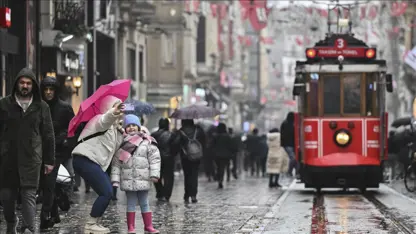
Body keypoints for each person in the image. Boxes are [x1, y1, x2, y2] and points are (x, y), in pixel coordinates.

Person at [0, 68, 55, 233]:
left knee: (29, 197)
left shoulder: (41, 107)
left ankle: (30, 228)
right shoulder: (4, 104)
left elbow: (48, 134)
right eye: (22, 82)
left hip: (32, 158)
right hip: (8, 158)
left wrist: (49, 160)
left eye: (28, 83)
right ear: (17, 83)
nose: (25, 86)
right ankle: (12, 221)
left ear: (33, 85)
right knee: (7, 198)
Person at [72, 95, 125, 233]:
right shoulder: (99, 119)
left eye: (120, 106)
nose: (120, 109)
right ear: (109, 107)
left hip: (90, 160)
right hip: (84, 158)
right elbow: (104, 121)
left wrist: (120, 132)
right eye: (115, 106)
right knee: (106, 192)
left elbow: (114, 149)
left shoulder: (113, 128)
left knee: (106, 191)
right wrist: (113, 113)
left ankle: (95, 222)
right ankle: (91, 224)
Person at [111, 114, 161, 234]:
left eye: (134, 125)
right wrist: (115, 179)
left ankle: (148, 226)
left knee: (145, 203)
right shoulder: (121, 143)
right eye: (128, 126)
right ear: (125, 128)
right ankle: (131, 227)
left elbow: (154, 158)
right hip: (128, 179)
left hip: (143, 178)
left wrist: (154, 174)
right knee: (131, 204)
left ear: (139, 127)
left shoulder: (147, 141)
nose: (131, 128)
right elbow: (116, 163)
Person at [39, 76, 75, 229]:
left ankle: (45, 215)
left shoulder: (65, 108)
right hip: (40, 150)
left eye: (51, 89)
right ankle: (53, 212)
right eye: (45, 89)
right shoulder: (38, 107)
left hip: (59, 152)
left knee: (49, 183)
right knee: (46, 184)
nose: (48, 92)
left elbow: (73, 129)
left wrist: (63, 139)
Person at [174, 119, 205, 203]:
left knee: (187, 176)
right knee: (194, 175)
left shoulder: (181, 131)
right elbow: (204, 142)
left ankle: (187, 195)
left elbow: (176, 143)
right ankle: (194, 195)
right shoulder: (198, 130)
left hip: (185, 156)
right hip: (197, 156)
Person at [151, 118, 177, 202]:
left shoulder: (154, 135)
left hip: (156, 158)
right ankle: (167, 195)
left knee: (156, 176)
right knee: (169, 177)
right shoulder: (172, 135)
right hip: (169, 158)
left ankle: (160, 192)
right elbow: (175, 148)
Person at [212, 123, 234, 189]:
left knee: (218, 167)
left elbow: (212, 145)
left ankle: (219, 178)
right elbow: (231, 146)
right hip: (225, 155)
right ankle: (220, 180)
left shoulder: (216, 136)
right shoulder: (228, 136)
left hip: (217, 155)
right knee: (222, 168)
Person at [280, 112, 297, 176]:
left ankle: (294, 172)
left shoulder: (286, 123)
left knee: (295, 159)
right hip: (288, 144)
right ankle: (289, 172)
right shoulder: (287, 124)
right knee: (293, 158)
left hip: (290, 144)